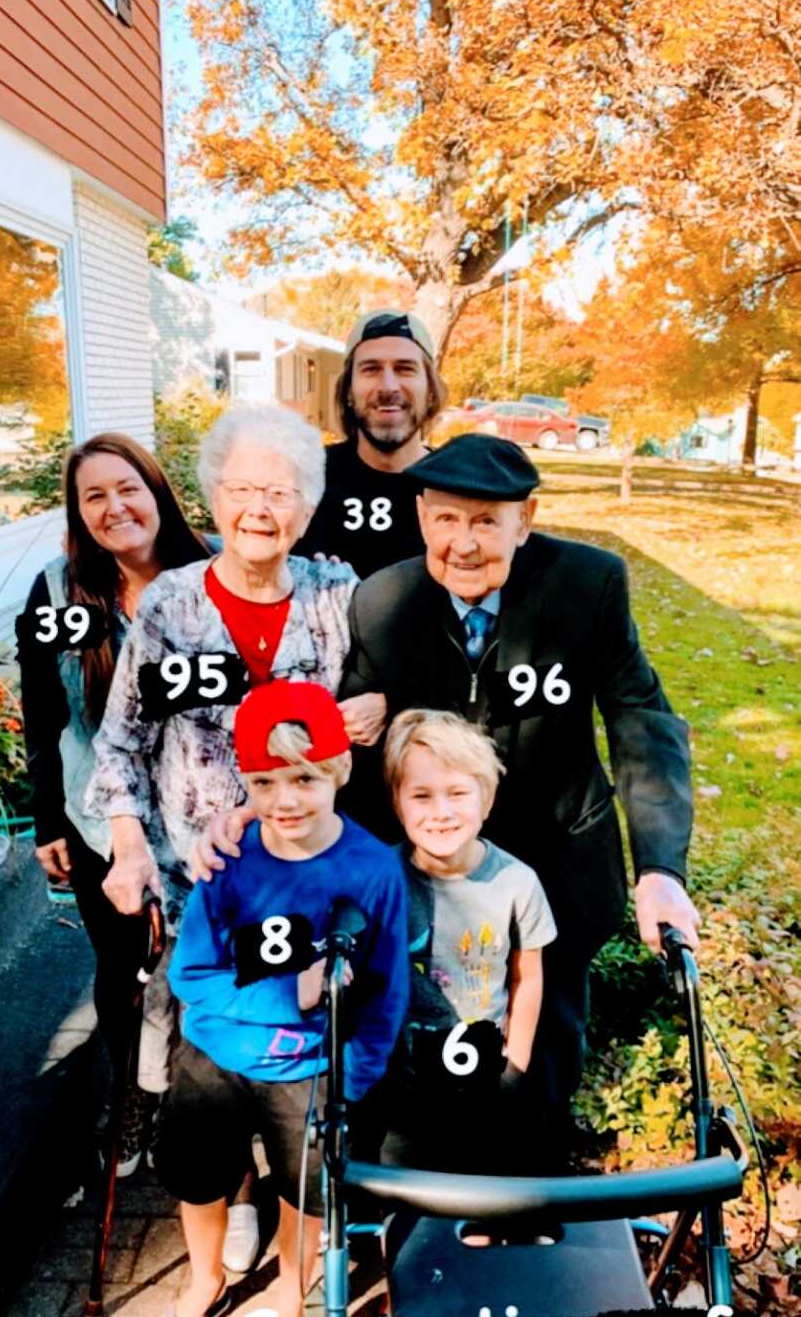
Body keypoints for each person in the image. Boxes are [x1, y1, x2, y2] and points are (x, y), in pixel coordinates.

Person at [199, 434, 699, 1163]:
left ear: (523, 522)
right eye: (445, 520)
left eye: (486, 522)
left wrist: (661, 868)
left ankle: (528, 1193)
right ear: (422, 516)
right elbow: (345, 736)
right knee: (414, 1018)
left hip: (554, 848)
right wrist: (276, 804)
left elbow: (642, 719)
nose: (462, 544)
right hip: (430, 863)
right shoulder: (384, 599)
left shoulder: (587, 586)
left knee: (543, 1033)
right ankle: (419, 1200)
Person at [85, 405, 385, 1262]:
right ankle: (239, 1197)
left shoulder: (339, 595)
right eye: (243, 487)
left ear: (307, 504)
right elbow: (121, 743)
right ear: (214, 496)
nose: (260, 506)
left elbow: (389, 687)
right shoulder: (174, 605)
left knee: (297, 1056)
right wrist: (130, 843)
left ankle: (299, 1210)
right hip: (200, 886)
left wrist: (380, 704)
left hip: (309, 880)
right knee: (214, 1060)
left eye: (280, 491)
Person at [136, 681, 408, 1317]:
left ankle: (291, 1295)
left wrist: (358, 1076)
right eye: (264, 782)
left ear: (340, 770)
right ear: (244, 784)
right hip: (214, 1060)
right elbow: (192, 975)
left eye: (305, 778)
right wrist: (293, 993)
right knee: (197, 1178)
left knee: (305, 1193)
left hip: (312, 1074)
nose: (285, 800)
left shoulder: (374, 870)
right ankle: (205, 1281)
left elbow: (385, 990)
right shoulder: (231, 860)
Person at [17, 433, 210, 1178]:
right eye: (92, 495)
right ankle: (133, 1092)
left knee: (204, 974)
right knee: (123, 972)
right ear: (77, 513)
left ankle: (208, 1109)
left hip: (206, 822)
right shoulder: (56, 589)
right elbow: (43, 713)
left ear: (156, 490)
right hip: (102, 821)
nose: (114, 506)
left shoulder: (214, 571)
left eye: (126, 487)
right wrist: (46, 823)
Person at [379, 708, 557, 1176]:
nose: (441, 812)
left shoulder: (517, 882)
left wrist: (514, 1068)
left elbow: (527, 977)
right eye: (421, 796)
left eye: (458, 793)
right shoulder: (380, 879)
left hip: (482, 1076)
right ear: (398, 804)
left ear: (487, 800)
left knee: (478, 1199)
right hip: (405, 1080)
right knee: (407, 1199)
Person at [295, 311, 447, 578]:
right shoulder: (304, 477)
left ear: (431, 389)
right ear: (348, 392)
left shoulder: (456, 488)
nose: (388, 386)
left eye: (404, 369)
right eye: (371, 369)